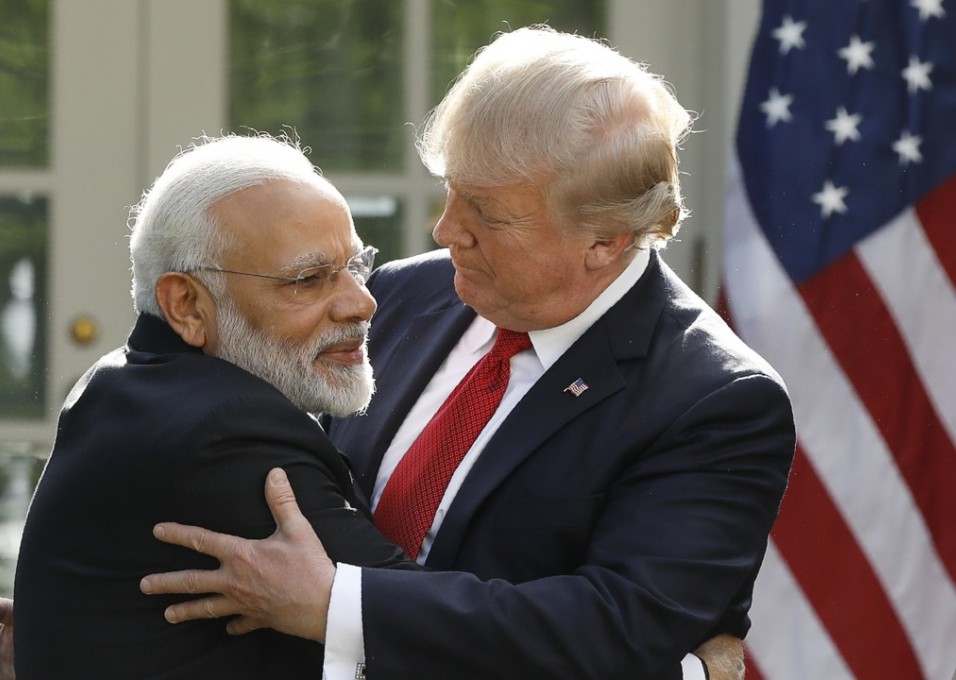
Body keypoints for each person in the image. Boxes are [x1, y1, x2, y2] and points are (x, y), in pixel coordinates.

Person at [136, 25, 796, 680]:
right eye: (452, 189)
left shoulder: (716, 400)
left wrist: (339, 607)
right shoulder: (400, 294)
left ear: (606, 240)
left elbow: (619, 626)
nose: (446, 229)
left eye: (487, 213)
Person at [3, 133, 419, 679]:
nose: (362, 302)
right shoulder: (226, 432)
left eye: (356, 266)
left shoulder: (121, 381)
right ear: (187, 305)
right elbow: (429, 642)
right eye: (308, 279)